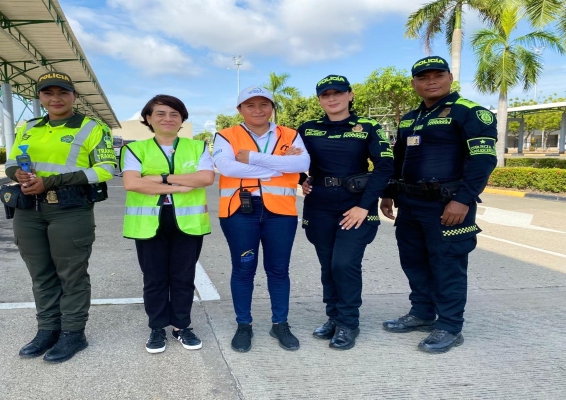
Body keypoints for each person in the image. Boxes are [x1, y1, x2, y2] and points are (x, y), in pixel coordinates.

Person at [380, 56, 497, 353]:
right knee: (414, 261)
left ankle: (449, 326)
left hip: (447, 206)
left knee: (447, 265)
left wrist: (462, 200)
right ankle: (422, 313)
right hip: (410, 204)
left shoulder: (469, 112)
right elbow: (399, 158)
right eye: (423, 77)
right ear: (414, 83)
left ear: (450, 78)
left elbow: (483, 160)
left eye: (438, 75)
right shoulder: (410, 118)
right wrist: (389, 192)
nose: (431, 81)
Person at [5, 71, 117, 363]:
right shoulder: (28, 127)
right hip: (28, 210)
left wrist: (52, 181)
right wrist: (16, 174)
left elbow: (106, 168)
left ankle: (73, 333)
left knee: (71, 274)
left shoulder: (92, 127)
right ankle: (48, 330)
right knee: (40, 274)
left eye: (63, 93)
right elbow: (11, 161)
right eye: (48, 93)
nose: (55, 99)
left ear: (74, 96)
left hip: (69, 209)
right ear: (40, 97)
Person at [299, 75, 394, 350]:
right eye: (325, 95)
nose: (332, 98)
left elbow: (385, 166)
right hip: (319, 205)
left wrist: (364, 205)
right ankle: (334, 317)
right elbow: (289, 160)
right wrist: (300, 179)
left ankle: (348, 323)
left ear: (350, 95)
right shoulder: (307, 128)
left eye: (338, 93)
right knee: (328, 265)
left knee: (344, 264)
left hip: (356, 206)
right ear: (319, 100)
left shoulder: (368, 127)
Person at [213, 85, 310, 352]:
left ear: (272, 107)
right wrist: (277, 166)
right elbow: (226, 167)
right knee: (243, 269)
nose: (258, 110)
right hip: (239, 212)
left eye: (264, 104)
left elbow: (301, 165)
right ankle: (244, 325)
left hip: (280, 213)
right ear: (240, 109)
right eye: (250, 105)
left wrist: (252, 159)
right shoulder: (226, 135)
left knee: (278, 270)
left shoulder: (290, 134)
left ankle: (280, 324)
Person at [122, 95, 214, 354]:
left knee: (183, 277)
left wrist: (160, 178)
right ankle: (157, 327)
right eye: (160, 113)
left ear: (182, 119)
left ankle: (181, 326)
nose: (168, 118)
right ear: (148, 118)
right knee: (154, 278)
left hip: (188, 222)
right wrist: (180, 185)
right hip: (149, 222)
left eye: (174, 114)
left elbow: (206, 178)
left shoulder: (197, 147)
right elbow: (132, 183)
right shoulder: (135, 149)